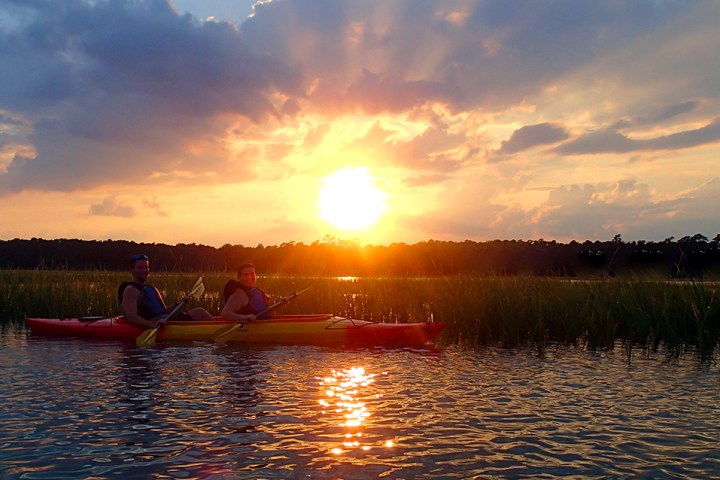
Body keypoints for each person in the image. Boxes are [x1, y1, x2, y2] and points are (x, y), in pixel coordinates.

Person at [119, 254, 214, 328]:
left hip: (165, 320)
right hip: (158, 324)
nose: (144, 270)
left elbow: (164, 311)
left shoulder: (151, 289)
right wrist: (152, 325)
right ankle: (217, 330)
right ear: (132, 269)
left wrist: (179, 303)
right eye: (140, 268)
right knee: (200, 312)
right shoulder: (131, 290)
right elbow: (131, 317)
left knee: (199, 312)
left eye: (146, 267)